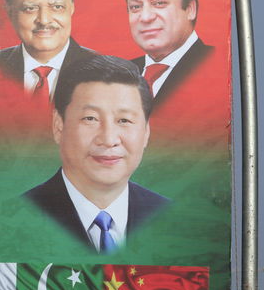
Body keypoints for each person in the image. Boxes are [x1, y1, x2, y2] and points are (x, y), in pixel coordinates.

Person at [23, 55, 169, 252]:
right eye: (90, 118)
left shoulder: (172, 219)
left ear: (146, 132)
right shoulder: (18, 215)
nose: (109, 139)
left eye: (124, 120)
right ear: (58, 126)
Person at [0, 0, 96, 100]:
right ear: (10, 13)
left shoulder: (108, 72)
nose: (44, 20)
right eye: (30, 8)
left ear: (72, 8)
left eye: (57, 7)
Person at [123, 0, 214, 106]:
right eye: (135, 7)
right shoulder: (118, 76)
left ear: (190, 9)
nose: (146, 17)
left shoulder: (216, 66)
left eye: (159, 3)